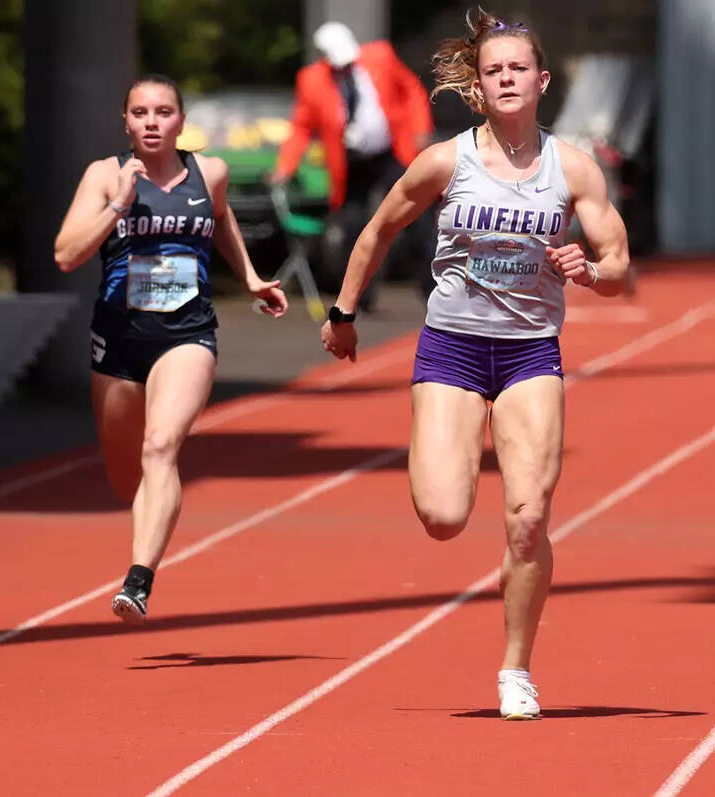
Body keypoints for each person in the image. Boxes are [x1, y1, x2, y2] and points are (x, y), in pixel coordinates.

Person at [318, 9, 631, 718]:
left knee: (527, 519)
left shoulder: (571, 168)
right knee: (443, 514)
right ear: (480, 88)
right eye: (495, 71)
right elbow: (378, 228)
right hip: (452, 348)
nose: (508, 78)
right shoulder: (445, 161)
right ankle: (442, 463)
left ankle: (515, 670)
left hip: (529, 356)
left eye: (519, 67)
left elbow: (618, 262)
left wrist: (590, 269)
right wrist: (341, 312)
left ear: (542, 80)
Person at [53, 74, 288, 625]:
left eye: (163, 112)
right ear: (126, 122)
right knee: (124, 478)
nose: (152, 122)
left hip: (187, 335)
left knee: (160, 447)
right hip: (117, 342)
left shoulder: (210, 172)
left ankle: (139, 580)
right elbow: (65, 255)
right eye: (140, 113)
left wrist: (250, 276)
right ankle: (148, 522)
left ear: (181, 122)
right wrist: (118, 206)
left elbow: (221, 215)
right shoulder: (105, 175)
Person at [269, 21, 435, 312]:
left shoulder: (381, 56)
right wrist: (285, 166)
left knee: (416, 218)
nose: (344, 69)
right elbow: (301, 127)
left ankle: (435, 292)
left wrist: (420, 128)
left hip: (391, 152)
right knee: (353, 226)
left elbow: (412, 91)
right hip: (352, 162)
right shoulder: (312, 81)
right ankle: (358, 297)